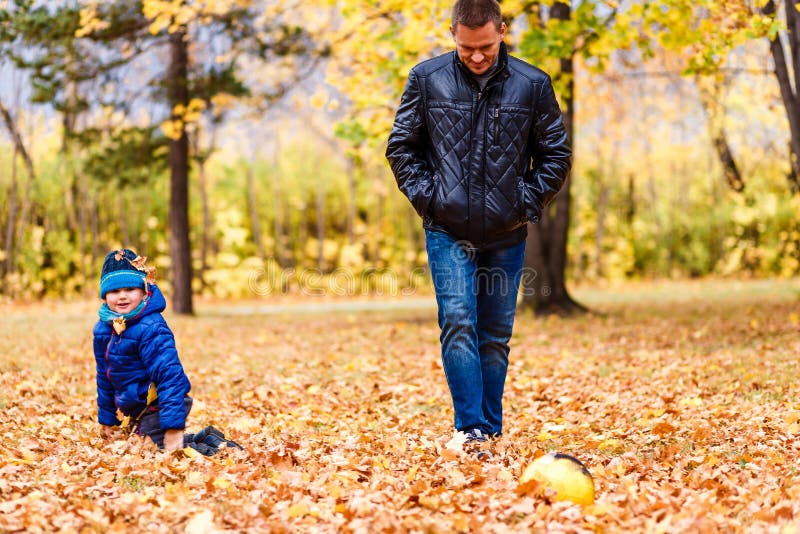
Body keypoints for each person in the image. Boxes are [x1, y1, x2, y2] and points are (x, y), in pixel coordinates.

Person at [385, 0, 571, 456]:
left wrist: (523, 203)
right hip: (447, 229)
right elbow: (401, 148)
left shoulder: (533, 84)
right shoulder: (426, 79)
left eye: (485, 46)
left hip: (507, 232)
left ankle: (488, 431)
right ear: (453, 34)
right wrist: (431, 199)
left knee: (495, 335)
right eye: (467, 47)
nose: (477, 56)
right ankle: (470, 430)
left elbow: (556, 156)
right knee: (458, 322)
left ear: (502, 31)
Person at [93, 248, 241, 455]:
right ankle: (207, 438)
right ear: (105, 296)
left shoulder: (151, 327)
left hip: (162, 403)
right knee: (142, 448)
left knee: (159, 451)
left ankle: (223, 451)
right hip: (139, 409)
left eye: (130, 289)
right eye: (115, 291)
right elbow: (104, 377)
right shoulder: (104, 330)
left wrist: (173, 427)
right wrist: (107, 419)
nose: (122, 296)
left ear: (144, 291)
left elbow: (170, 376)